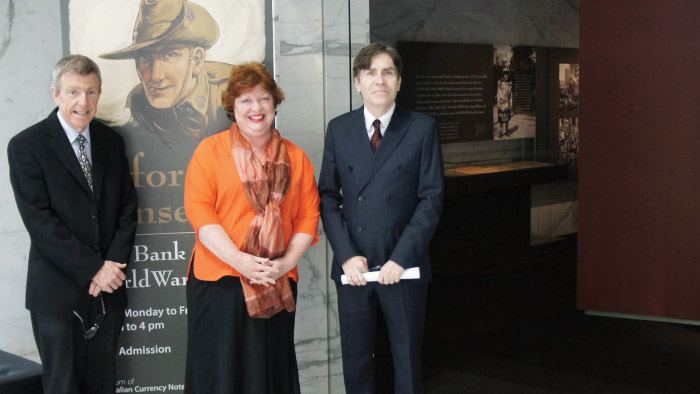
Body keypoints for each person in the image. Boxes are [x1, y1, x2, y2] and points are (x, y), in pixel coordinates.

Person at [183, 62, 320, 394]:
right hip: (220, 281)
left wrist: (285, 264)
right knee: (220, 372)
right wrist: (240, 261)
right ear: (233, 107)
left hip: (275, 279)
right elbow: (200, 213)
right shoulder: (209, 152)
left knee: (269, 372)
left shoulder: (297, 158)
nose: (255, 108)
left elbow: (308, 217)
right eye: (245, 100)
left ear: (274, 104)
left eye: (263, 99)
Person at [7, 55, 138, 394]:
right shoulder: (26, 146)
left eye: (92, 92)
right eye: (74, 92)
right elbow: (41, 223)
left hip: (109, 289)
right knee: (62, 386)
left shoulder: (112, 141)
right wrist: (95, 268)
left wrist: (110, 268)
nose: (83, 102)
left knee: (103, 383)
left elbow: (127, 207)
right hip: (57, 293)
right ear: (55, 94)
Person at [319, 42, 445, 394]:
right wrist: (345, 255)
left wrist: (400, 258)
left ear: (399, 81)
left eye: (388, 72)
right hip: (353, 268)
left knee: (406, 359)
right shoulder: (339, 129)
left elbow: (431, 198)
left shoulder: (421, 128)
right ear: (357, 82)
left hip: (402, 265)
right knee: (356, 359)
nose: (380, 80)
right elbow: (327, 196)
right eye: (370, 72)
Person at [100, 0, 233, 145]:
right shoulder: (138, 103)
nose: (155, 76)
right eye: (145, 57)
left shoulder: (233, 90)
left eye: (170, 55)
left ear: (196, 60)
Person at [496, 72, 513, 138]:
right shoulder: (500, 83)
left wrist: (510, 104)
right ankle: (500, 132)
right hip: (501, 103)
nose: (506, 76)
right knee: (501, 118)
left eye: (507, 75)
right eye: (505, 75)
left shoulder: (510, 84)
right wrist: (498, 103)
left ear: (508, 76)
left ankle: (506, 131)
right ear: (503, 76)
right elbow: (498, 93)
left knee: (506, 118)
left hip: (507, 103)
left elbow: (511, 95)